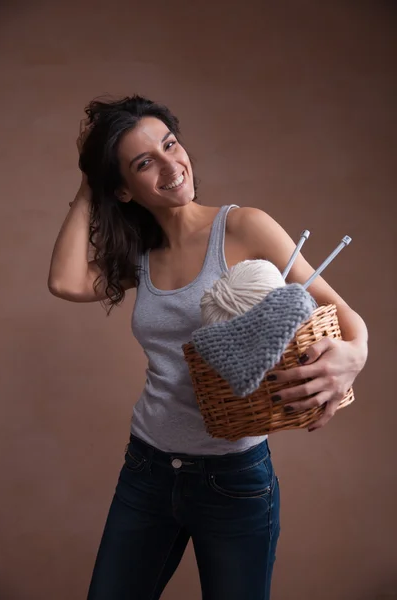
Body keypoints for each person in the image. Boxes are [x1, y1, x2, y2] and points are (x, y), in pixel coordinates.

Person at [47, 95, 368, 600]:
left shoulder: (242, 227)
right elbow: (65, 281)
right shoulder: (142, 256)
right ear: (124, 190)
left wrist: (357, 354)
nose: (171, 165)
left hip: (234, 476)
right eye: (143, 163)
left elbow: (339, 312)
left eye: (170, 144)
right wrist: (90, 184)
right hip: (146, 468)